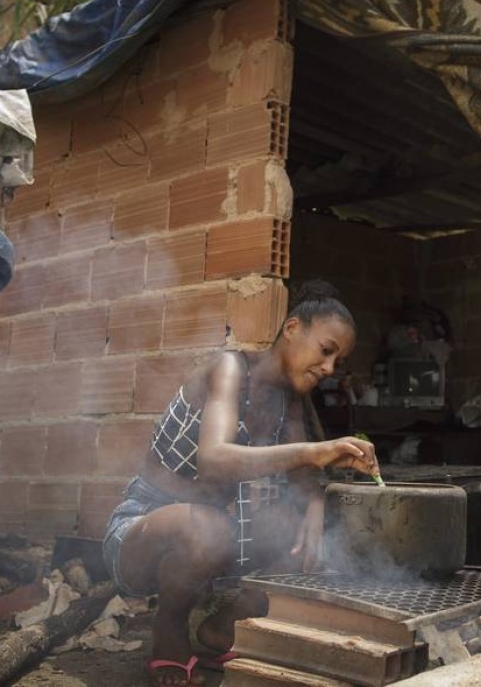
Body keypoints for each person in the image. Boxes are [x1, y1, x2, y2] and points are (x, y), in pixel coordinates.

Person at [103, 280, 380, 686]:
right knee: (206, 528)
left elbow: (305, 483)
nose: (329, 369)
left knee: (301, 533)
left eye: (338, 360)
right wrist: (312, 451)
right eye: (326, 350)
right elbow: (214, 460)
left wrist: (317, 509)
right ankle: (170, 628)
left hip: (215, 543)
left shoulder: (290, 403)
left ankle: (223, 627)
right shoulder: (230, 369)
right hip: (145, 533)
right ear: (291, 329)